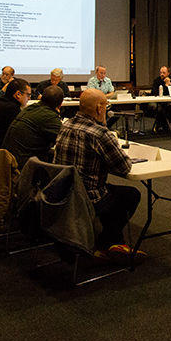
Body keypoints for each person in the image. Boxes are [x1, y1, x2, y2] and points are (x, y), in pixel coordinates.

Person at [54, 88, 140, 258]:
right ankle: (106, 242)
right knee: (130, 195)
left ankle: (114, 240)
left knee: (113, 193)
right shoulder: (100, 133)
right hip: (87, 197)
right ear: (100, 109)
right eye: (106, 107)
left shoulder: (66, 125)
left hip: (63, 192)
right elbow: (124, 167)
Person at [2, 85, 64, 169]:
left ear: (41, 98)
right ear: (60, 104)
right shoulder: (49, 116)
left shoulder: (30, 108)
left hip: (8, 161)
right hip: (24, 168)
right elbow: (64, 140)